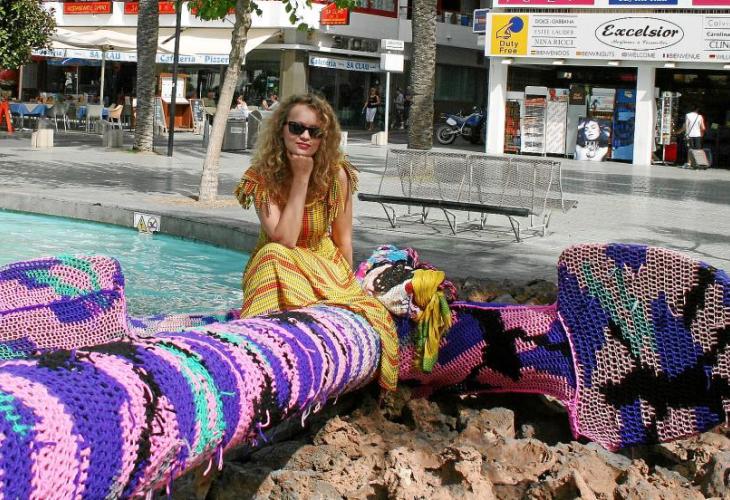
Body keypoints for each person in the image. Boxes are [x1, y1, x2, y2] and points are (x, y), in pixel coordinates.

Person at [234, 93, 399, 390]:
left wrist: (349, 287)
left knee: (276, 257)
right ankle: (265, 351)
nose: (305, 137)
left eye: (315, 132)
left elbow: (343, 239)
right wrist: (300, 179)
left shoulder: (337, 175)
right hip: (276, 265)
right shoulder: (261, 176)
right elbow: (285, 239)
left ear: (325, 137)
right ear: (281, 129)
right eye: (296, 128)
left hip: (321, 264)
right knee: (273, 255)